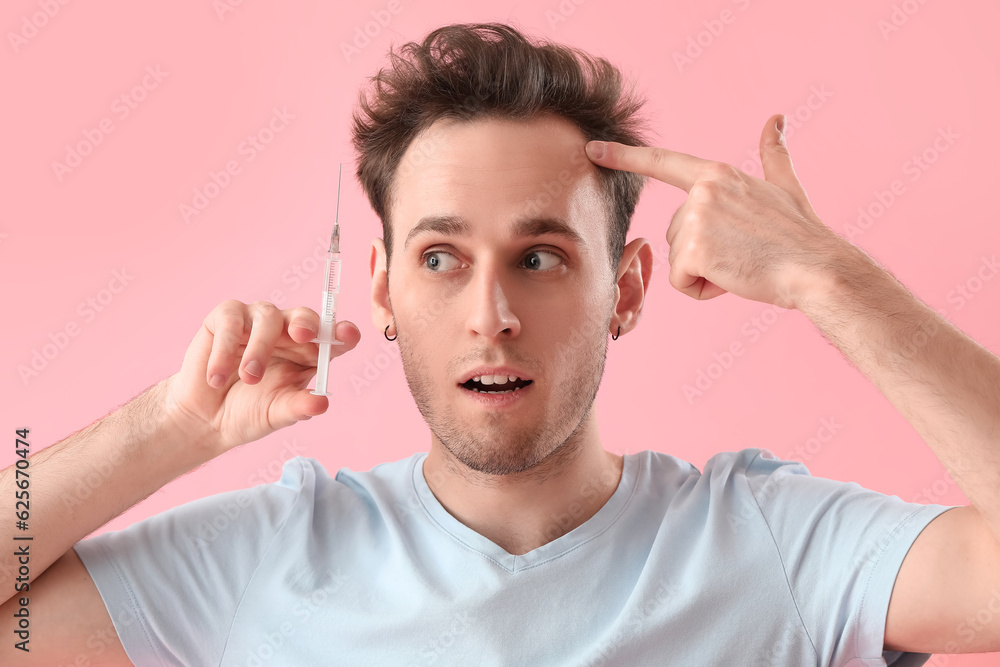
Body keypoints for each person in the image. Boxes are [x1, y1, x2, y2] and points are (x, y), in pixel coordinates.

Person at [3, 21, 1000, 666]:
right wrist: (168, 426)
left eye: (540, 257)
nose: (491, 313)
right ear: (383, 288)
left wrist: (832, 283)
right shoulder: (266, 555)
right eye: (441, 259)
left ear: (628, 288)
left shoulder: (771, 544)